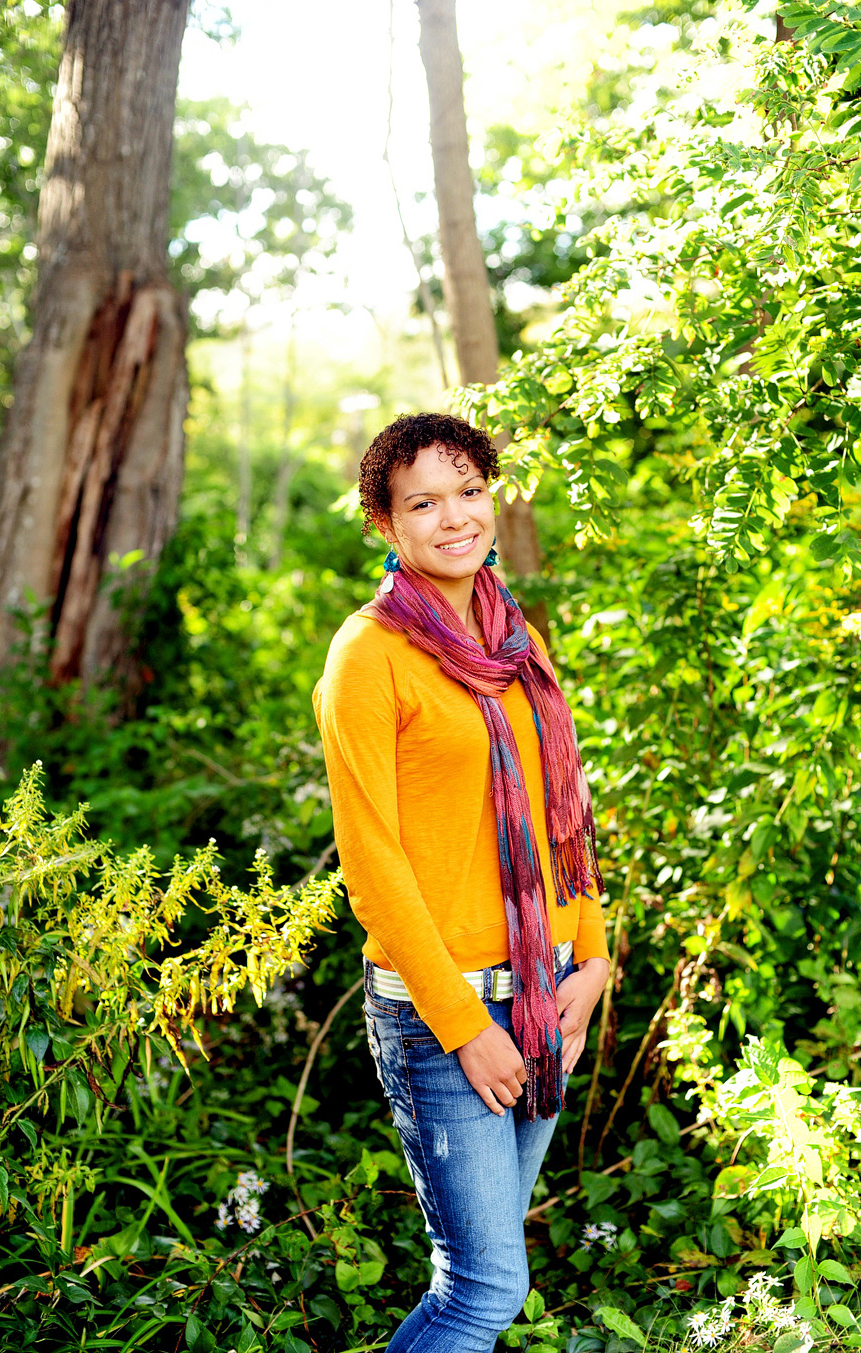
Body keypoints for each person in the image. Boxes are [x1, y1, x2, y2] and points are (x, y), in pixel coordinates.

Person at [313, 412, 610, 1352]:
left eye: (470, 491)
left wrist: (591, 959)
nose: (455, 518)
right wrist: (464, 1025)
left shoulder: (518, 640)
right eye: (423, 502)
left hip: (546, 989)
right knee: (484, 1289)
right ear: (384, 524)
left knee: (483, 1282)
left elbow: (567, 816)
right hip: (445, 1016)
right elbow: (373, 865)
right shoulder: (367, 654)